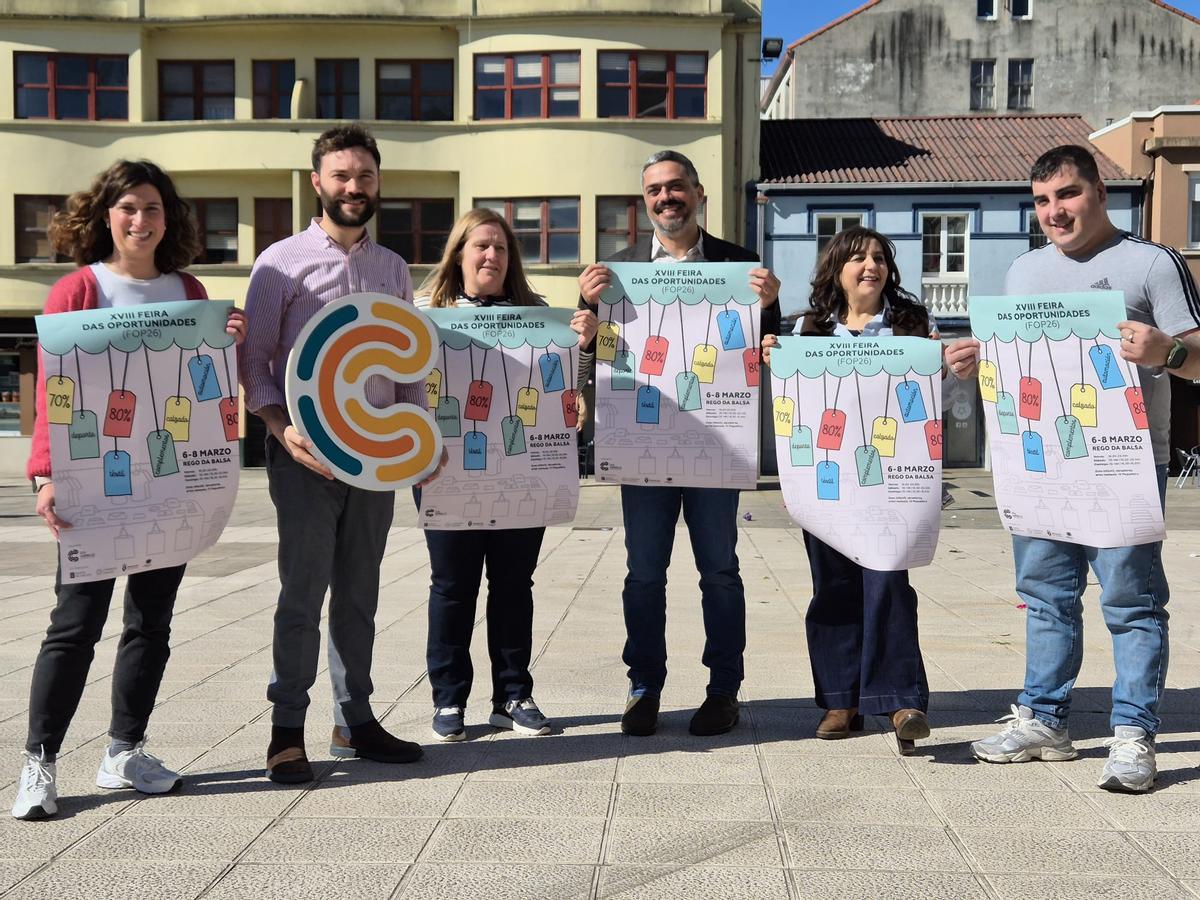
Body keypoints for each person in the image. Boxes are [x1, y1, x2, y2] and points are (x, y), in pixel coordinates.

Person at [945, 144, 1200, 793]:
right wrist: (979, 361)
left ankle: (1133, 735)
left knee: (1131, 602)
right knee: (1045, 599)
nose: (1054, 211)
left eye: (1067, 194)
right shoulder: (1024, 272)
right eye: (1042, 200)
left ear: (1098, 193)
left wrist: (1166, 349)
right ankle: (1045, 721)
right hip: (1041, 462)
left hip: (1125, 465)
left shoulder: (1151, 263)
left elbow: (1196, 356)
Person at [14, 159, 247, 820]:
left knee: (151, 621)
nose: (139, 220)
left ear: (167, 218)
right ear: (106, 216)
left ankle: (123, 751)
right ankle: (39, 761)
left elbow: (202, 392)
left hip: (167, 480)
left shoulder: (188, 288)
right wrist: (45, 474)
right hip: (93, 482)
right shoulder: (78, 291)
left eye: (151, 208)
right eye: (127, 208)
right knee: (75, 623)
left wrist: (229, 342)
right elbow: (53, 395)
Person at [240, 124, 443, 783]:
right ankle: (285, 732)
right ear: (317, 183)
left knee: (360, 590)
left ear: (378, 182)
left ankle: (354, 720)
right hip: (306, 458)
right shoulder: (280, 264)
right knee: (302, 591)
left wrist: (419, 440)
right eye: (342, 175)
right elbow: (255, 365)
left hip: (377, 456)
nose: (355, 186)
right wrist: (280, 428)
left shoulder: (392, 269)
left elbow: (409, 370)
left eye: (366, 175)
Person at [576, 150, 781, 737]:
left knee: (719, 571)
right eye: (654, 191)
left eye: (676, 187)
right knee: (644, 574)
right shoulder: (613, 275)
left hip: (716, 446)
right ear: (645, 203)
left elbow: (772, 354)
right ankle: (644, 688)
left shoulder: (741, 268)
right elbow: (585, 361)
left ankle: (724, 690)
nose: (666, 198)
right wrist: (587, 309)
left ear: (697, 193)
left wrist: (771, 308)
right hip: (643, 450)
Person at [414, 208, 597, 741]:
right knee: (452, 588)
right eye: (480, 246)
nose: (491, 255)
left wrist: (582, 346)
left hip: (522, 469)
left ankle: (513, 695)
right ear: (460, 254)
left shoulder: (539, 315)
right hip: (448, 469)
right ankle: (449, 701)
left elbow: (572, 385)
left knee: (514, 585)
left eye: (500, 247)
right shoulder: (424, 313)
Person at [762, 227, 937, 755]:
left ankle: (901, 700)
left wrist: (940, 368)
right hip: (827, 480)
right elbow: (790, 403)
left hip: (891, 481)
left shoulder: (912, 325)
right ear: (836, 268)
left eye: (880, 259)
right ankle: (842, 700)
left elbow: (933, 400)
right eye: (859, 258)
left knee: (887, 584)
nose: (871, 267)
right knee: (834, 588)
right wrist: (774, 360)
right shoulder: (808, 329)